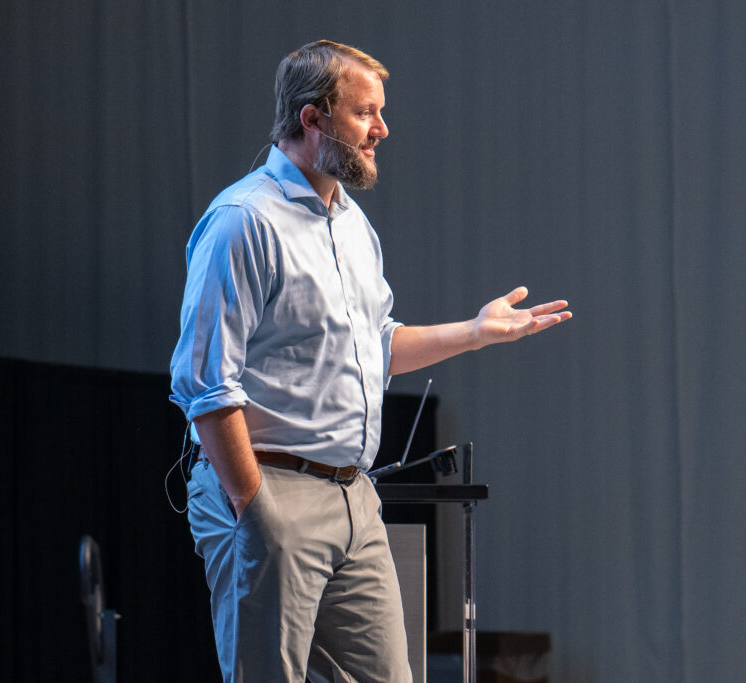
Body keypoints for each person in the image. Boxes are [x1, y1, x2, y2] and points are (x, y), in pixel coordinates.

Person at [169, 40, 571, 682]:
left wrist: (474, 331)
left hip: (353, 495)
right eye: (365, 114)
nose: (381, 129)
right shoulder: (244, 222)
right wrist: (256, 506)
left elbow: (375, 346)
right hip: (272, 488)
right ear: (312, 118)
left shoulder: (352, 224)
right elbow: (204, 383)